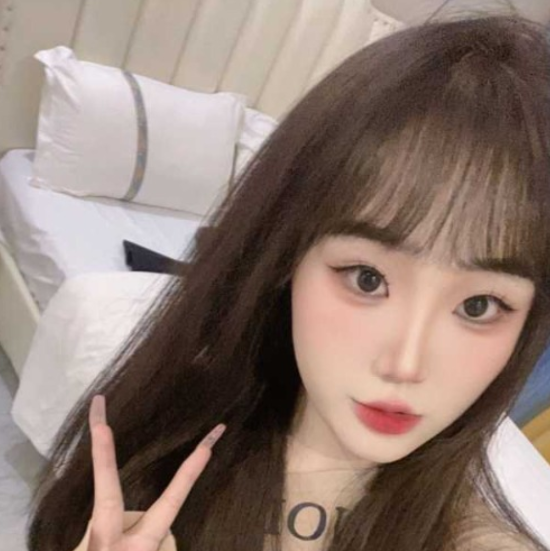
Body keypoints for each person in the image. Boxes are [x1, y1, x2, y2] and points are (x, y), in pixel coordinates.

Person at [26, 14, 550, 551]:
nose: (406, 364)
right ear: (287, 257)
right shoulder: (163, 439)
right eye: (368, 278)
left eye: (480, 305)